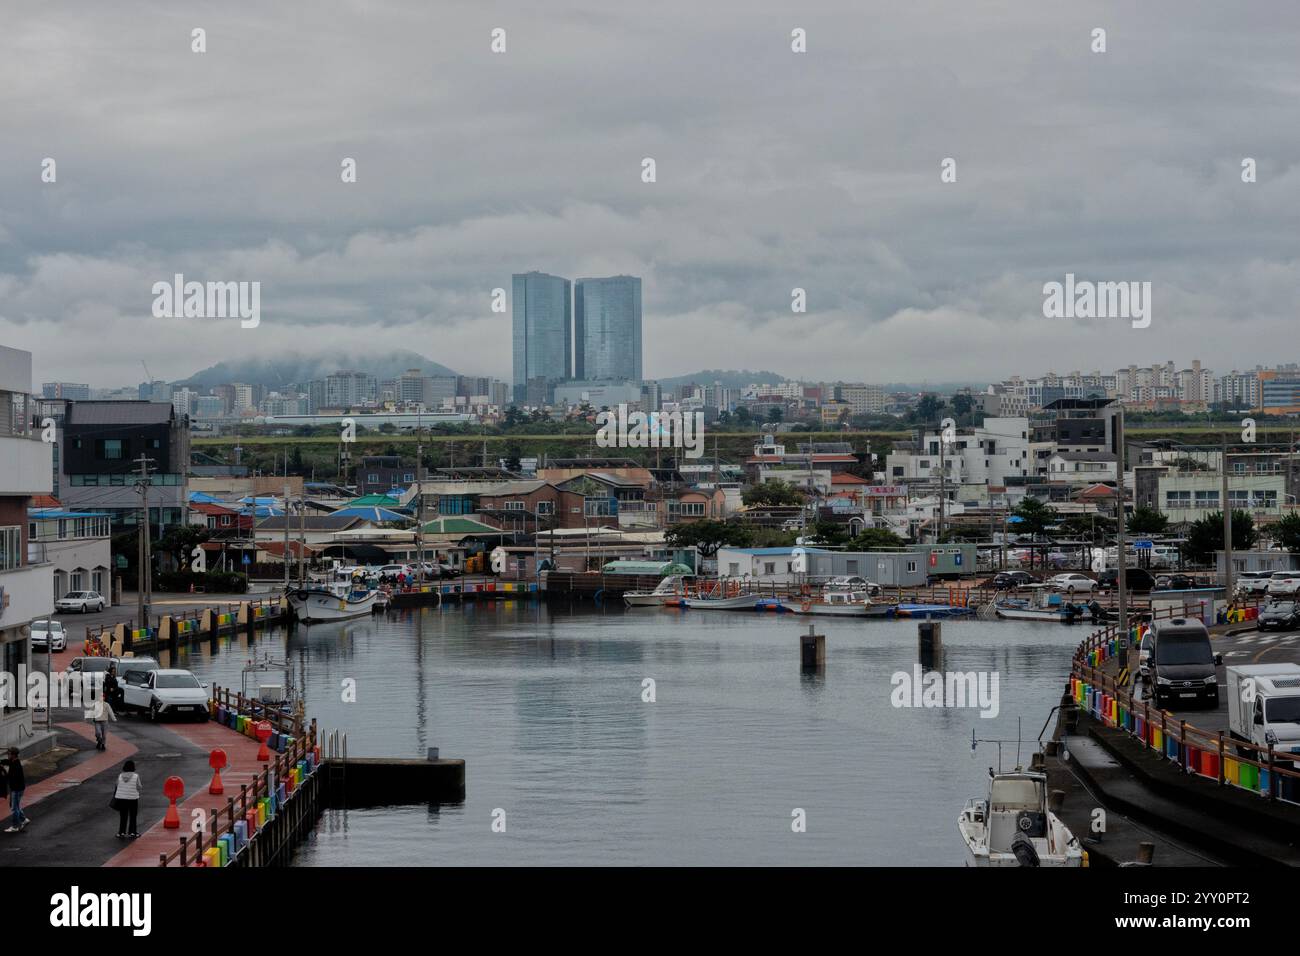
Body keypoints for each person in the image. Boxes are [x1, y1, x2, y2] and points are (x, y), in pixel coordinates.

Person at [114, 760, 141, 839]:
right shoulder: (136, 776)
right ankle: (132, 832)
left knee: (123, 815)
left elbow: (116, 784)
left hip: (122, 798)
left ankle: (121, 832)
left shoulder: (120, 775)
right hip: (133, 798)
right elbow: (139, 786)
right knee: (133, 815)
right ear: (133, 767)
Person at [3, 748, 28, 832]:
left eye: (9, 754)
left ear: (13, 755)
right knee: (14, 806)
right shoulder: (14, 762)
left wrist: (4, 775)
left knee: (14, 808)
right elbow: (7, 762)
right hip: (18, 788)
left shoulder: (15, 766)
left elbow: (11, 777)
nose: (8, 755)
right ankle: (24, 819)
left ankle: (15, 826)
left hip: (17, 789)